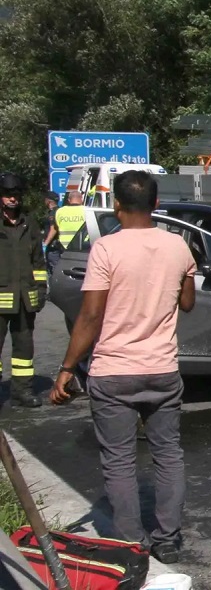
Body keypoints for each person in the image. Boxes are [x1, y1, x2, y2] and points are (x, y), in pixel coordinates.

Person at [49, 171, 195, 563]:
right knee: (168, 455)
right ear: (156, 201)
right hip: (162, 369)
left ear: (116, 204)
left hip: (114, 371)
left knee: (119, 460)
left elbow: (91, 315)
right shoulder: (179, 246)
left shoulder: (106, 249)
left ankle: (131, 543)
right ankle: (167, 539)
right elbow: (187, 303)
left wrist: (67, 367)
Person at [0, 172, 49, 408]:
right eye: (8, 195)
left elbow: (38, 262)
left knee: (24, 348)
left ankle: (23, 390)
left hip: (24, 299)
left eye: (16, 195)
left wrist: (40, 289)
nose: (12, 199)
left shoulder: (29, 223)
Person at [41, 192, 61, 272]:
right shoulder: (59, 211)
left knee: (54, 268)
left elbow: (53, 230)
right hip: (57, 245)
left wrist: (45, 244)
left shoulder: (53, 213)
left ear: (48, 201)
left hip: (53, 246)